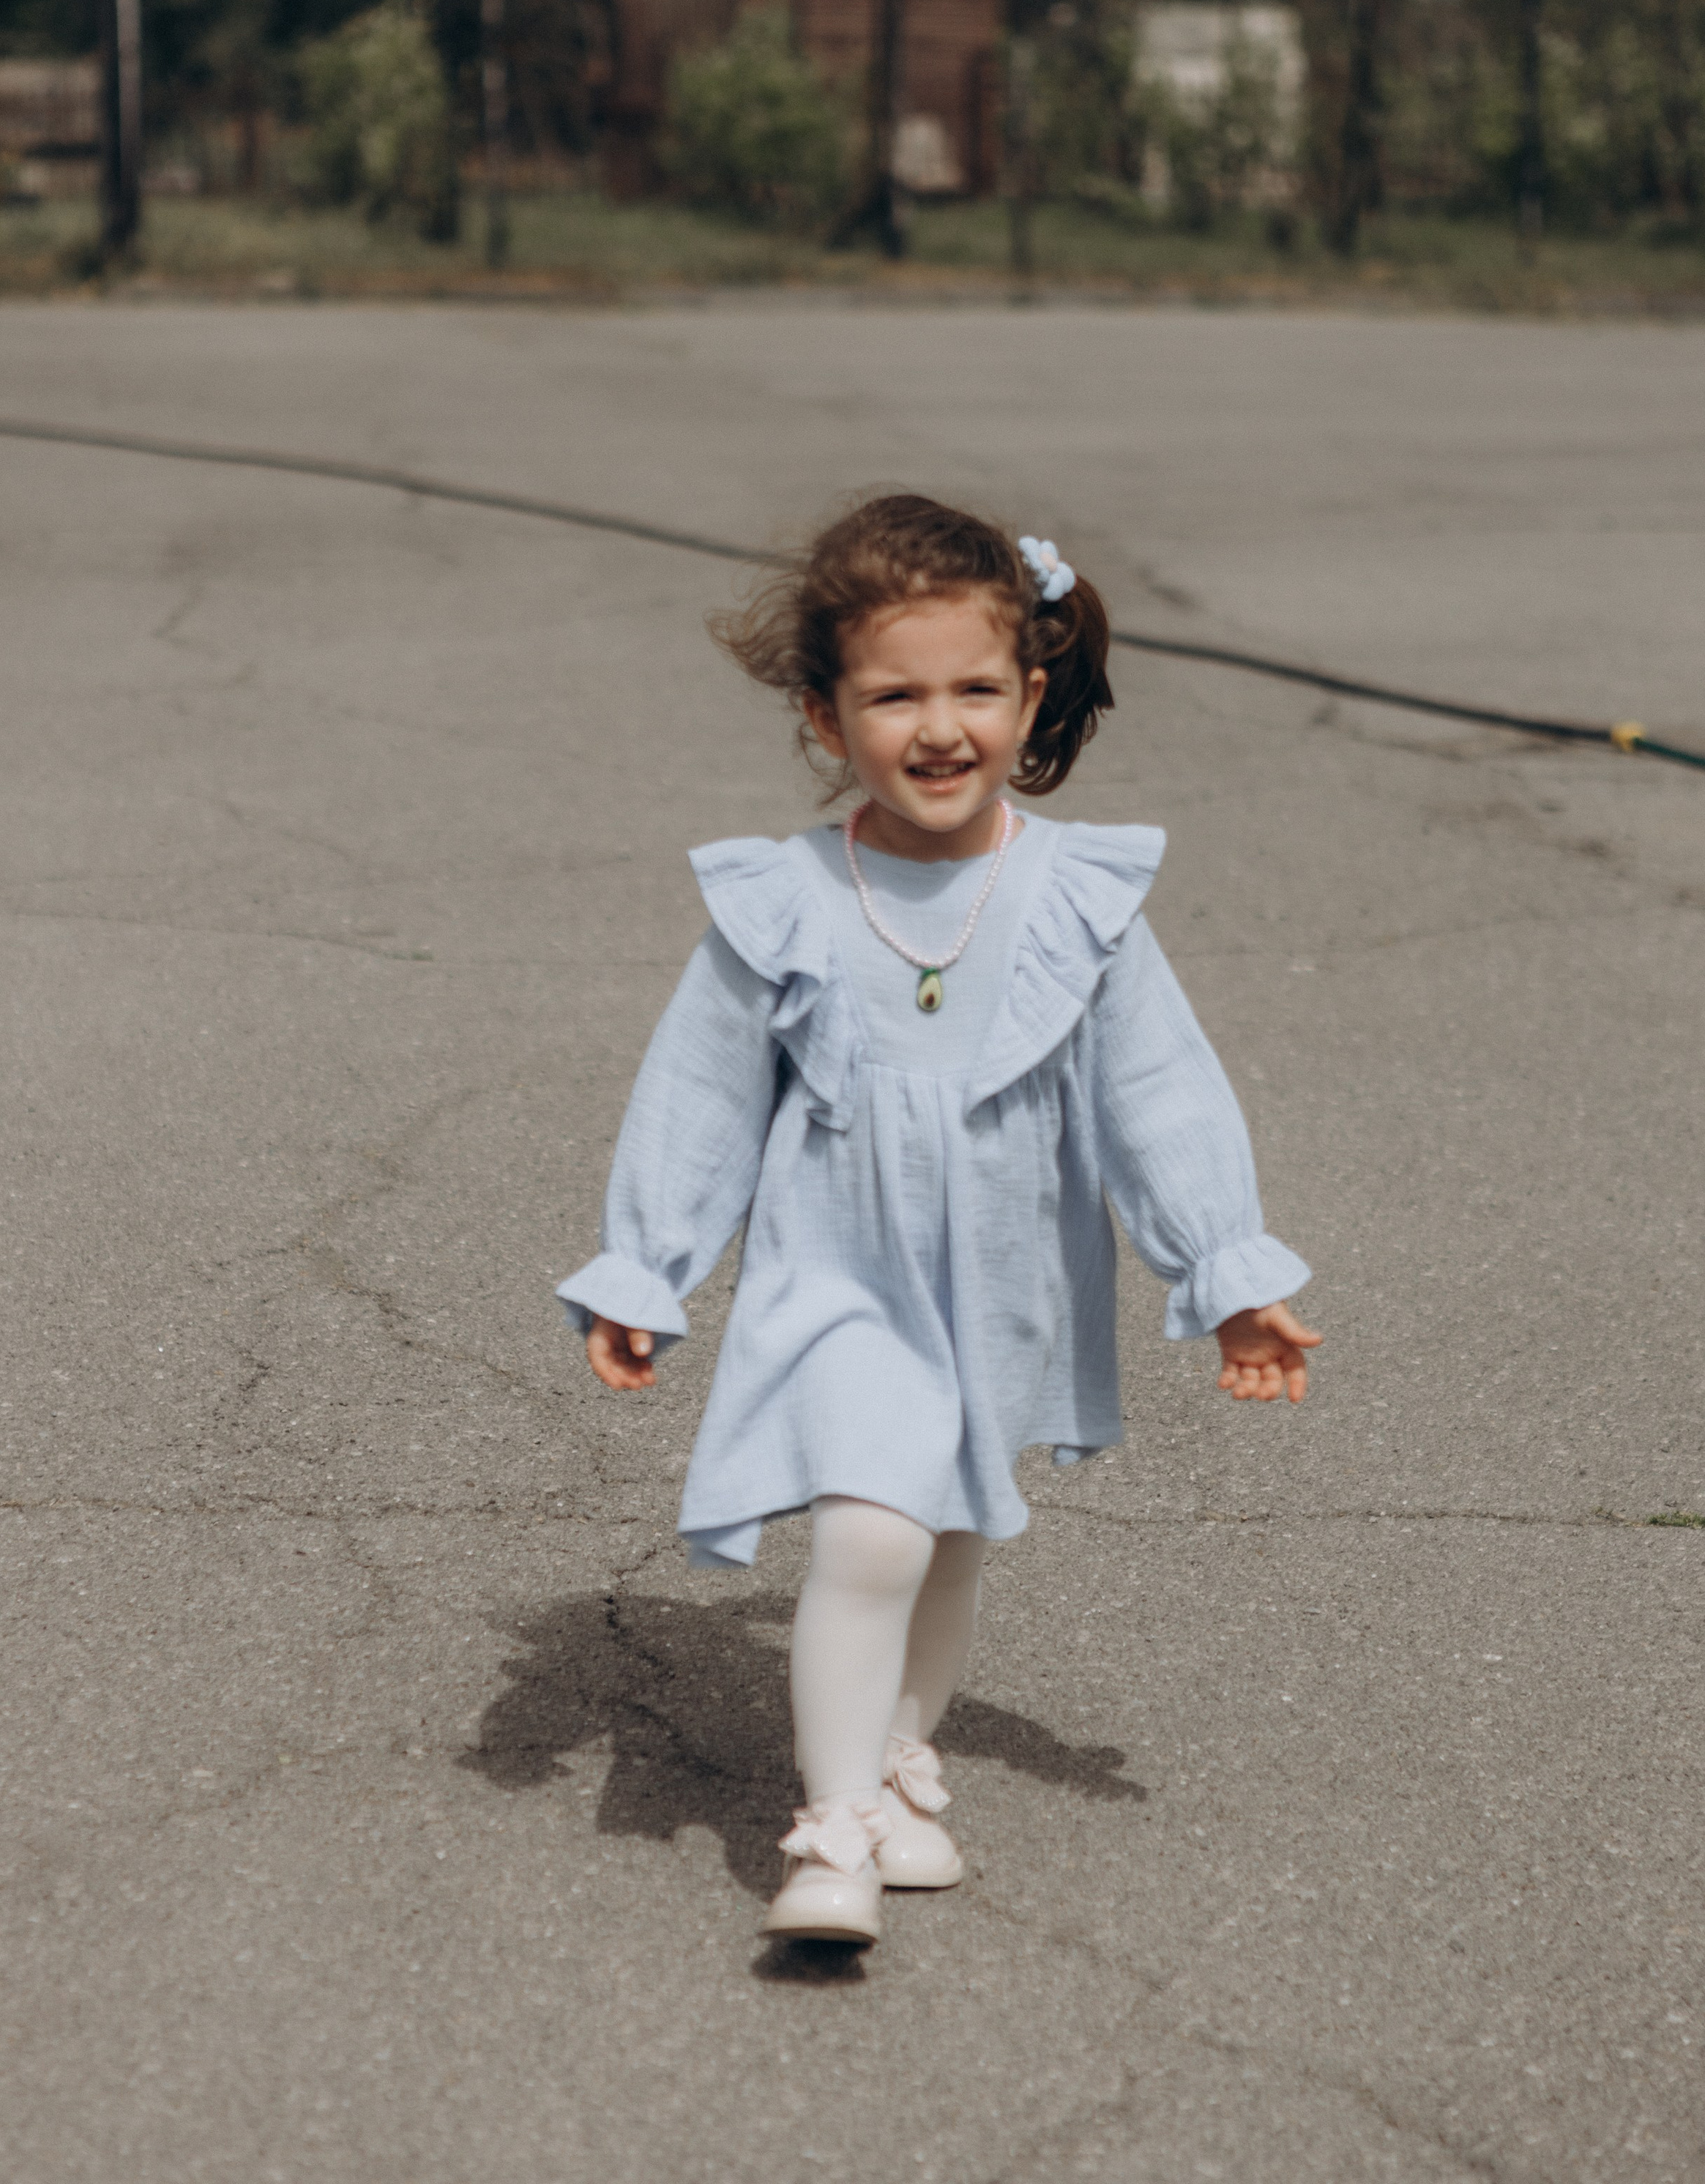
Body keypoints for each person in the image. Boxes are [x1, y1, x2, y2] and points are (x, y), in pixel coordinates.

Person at [557, 493, 1320, 1948]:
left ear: (1028, 691)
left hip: (1005, 1271)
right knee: (867, 1537)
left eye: (973, 688)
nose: (937, 726)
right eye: (891, 694)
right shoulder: (782, 898)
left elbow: (1159, 1094)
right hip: (836, 1267)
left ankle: (902, 1765)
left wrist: (1224, 1269)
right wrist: (643, 1269)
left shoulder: (1071, 896)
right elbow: (698, 1099)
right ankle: (832, 1831)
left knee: (952, 1528)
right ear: (821, 714)